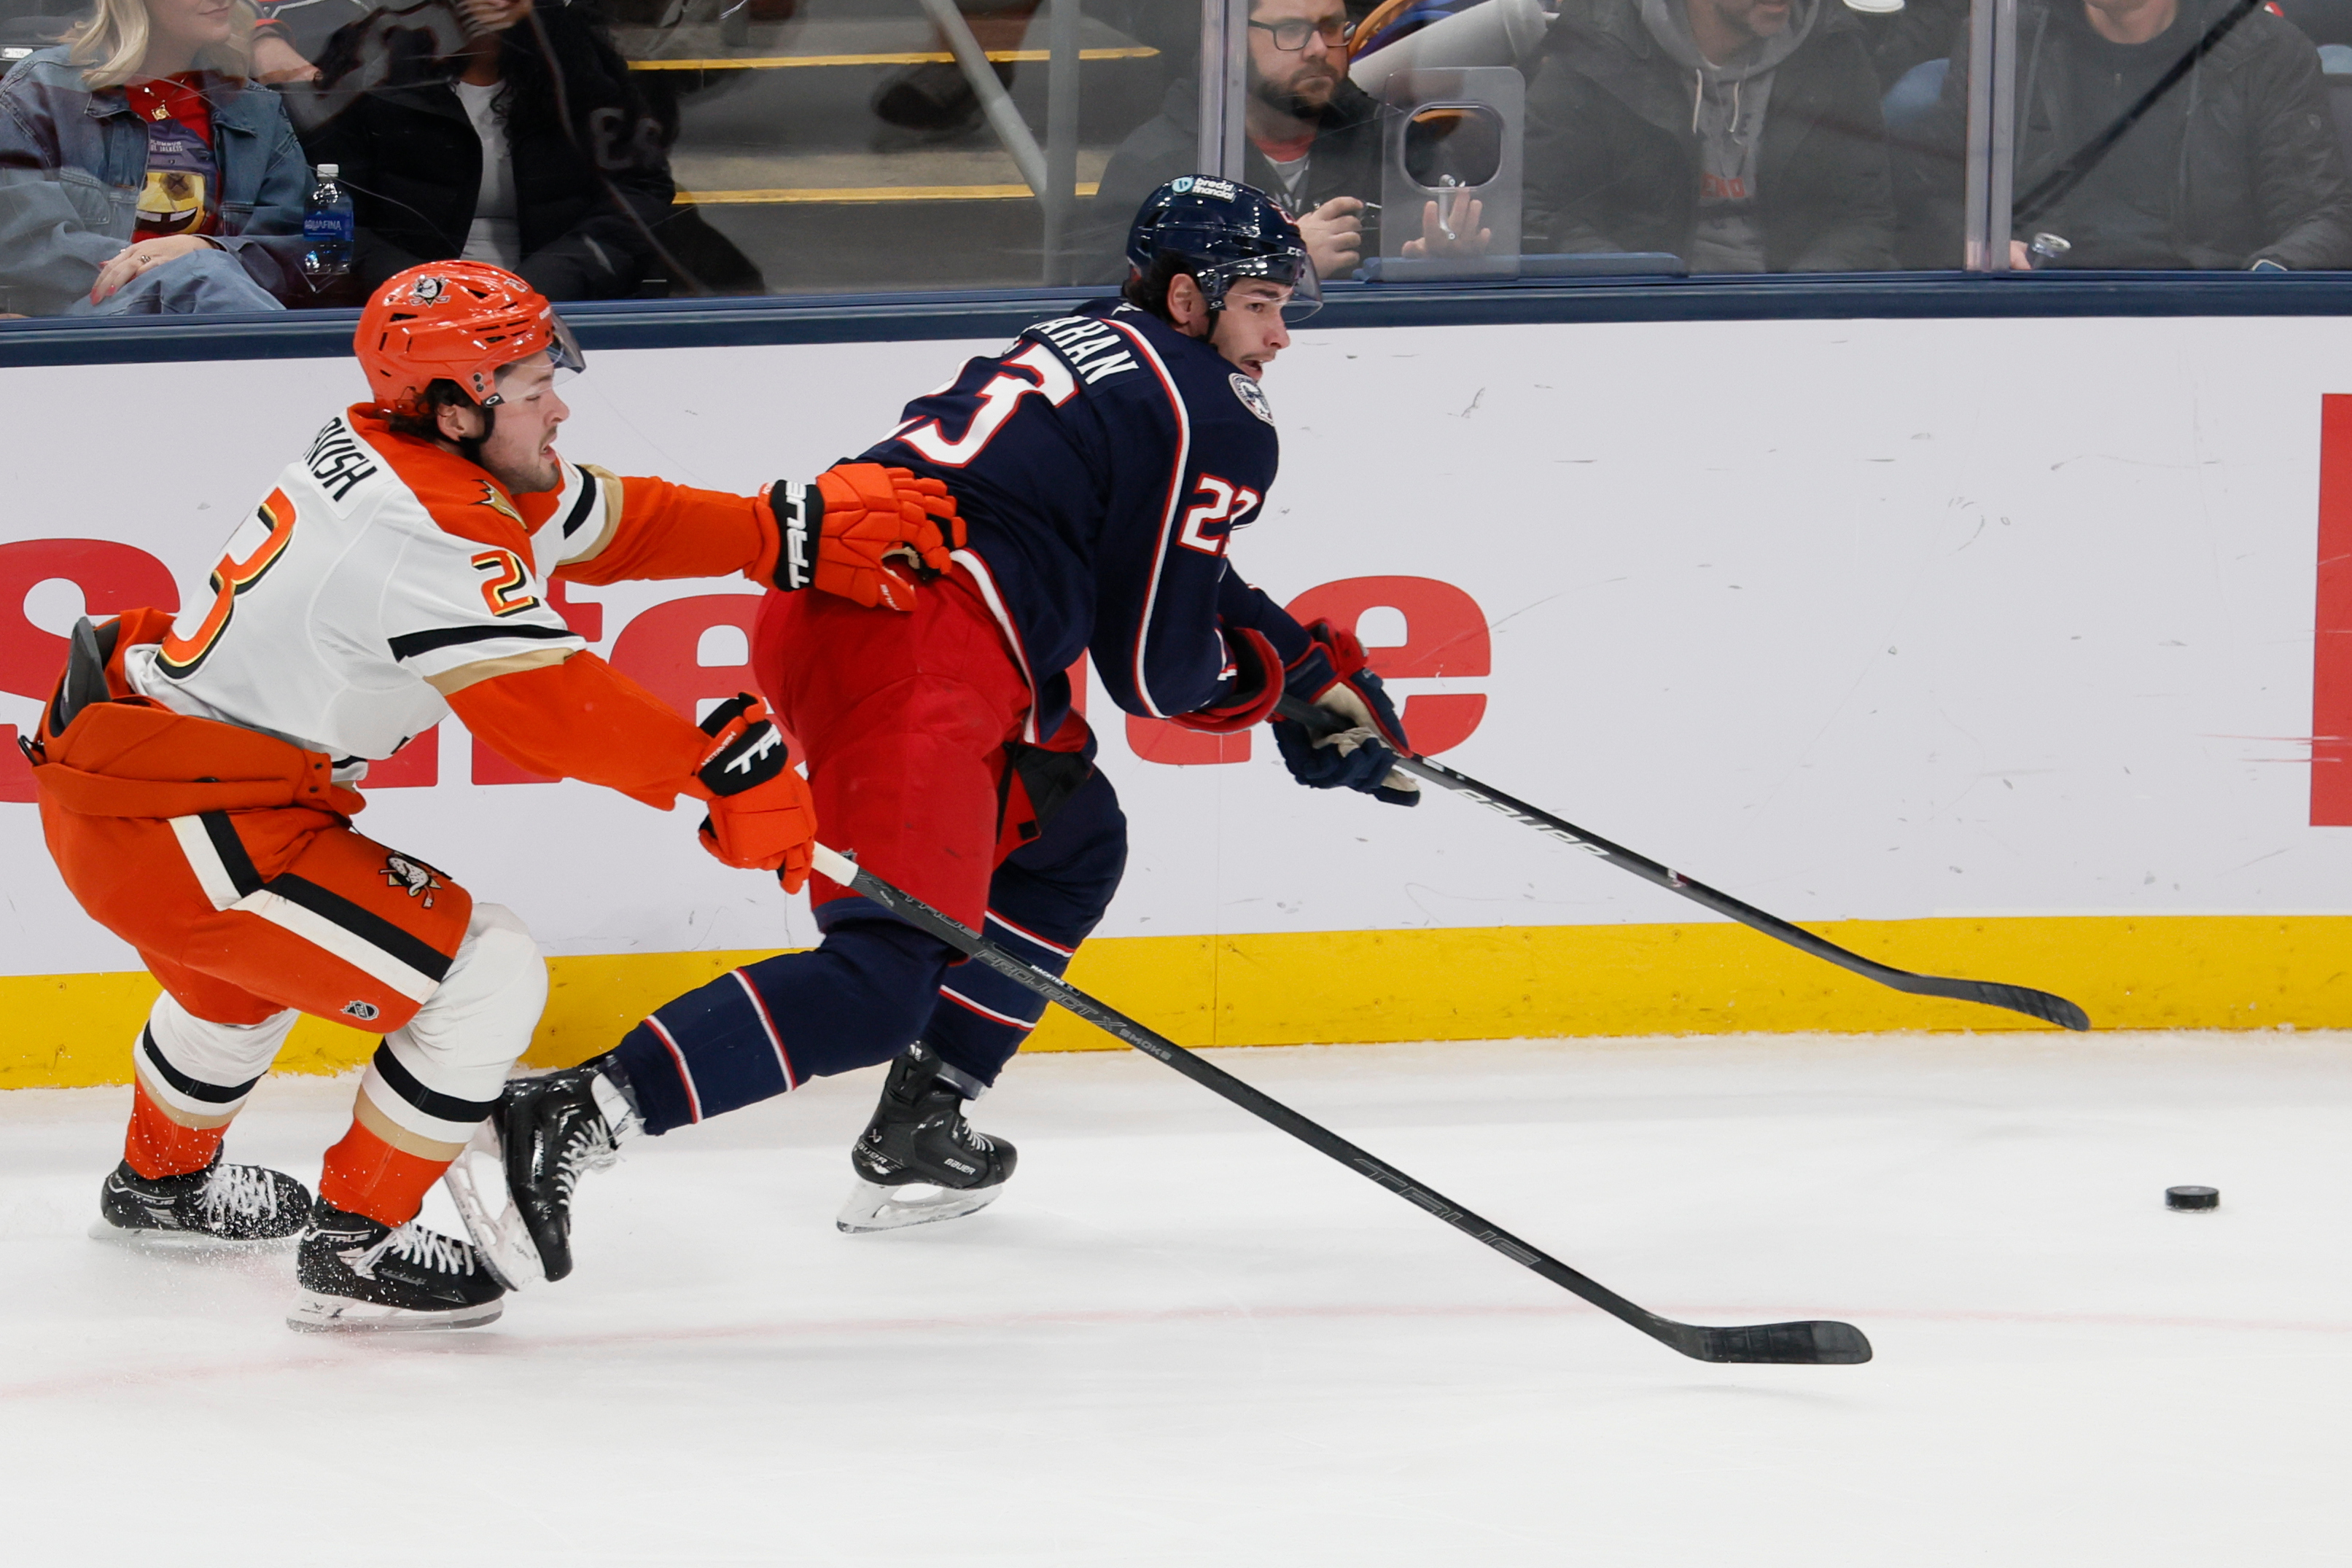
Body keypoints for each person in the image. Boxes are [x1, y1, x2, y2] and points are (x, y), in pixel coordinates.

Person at [461, 178, 1425, 1290]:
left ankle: (924, 1121)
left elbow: (1161, 556)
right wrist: (1271, 690)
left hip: (864, 602)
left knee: (1068, 839)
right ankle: (579, 1107)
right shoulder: (1217, 407)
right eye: (1260, 303)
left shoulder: (1096, 342)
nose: (1279, 336)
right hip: (913, 653)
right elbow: (1156, 678)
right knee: (882, 971)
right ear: (1186, 297)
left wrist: (1306, 668)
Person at [23, 259, 957, 1330]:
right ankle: (355, 1240)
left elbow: (608, 520)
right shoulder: (422, 523)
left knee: (232, 985)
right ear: (460, 407)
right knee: (486, 974)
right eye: (530, 383)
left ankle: (161, 1183)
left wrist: (774, 528)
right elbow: (542, 705)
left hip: (160, 791)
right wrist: (719, 771)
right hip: (191, 826)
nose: (558, 401)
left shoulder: (415, 451)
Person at [1907, 0, 2352, 270]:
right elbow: (1935, 200)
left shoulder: (2265, 51)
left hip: (2209, 319)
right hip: (2036, 313)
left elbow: (2318, 215)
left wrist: (2267, 278)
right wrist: (1986, 248)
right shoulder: (2001, 40)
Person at [292, 0, 675, 299]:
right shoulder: (375, 70)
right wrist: (419, 287)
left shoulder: (582, 69)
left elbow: (641, 192)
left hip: (560, 303)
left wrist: (556, 277)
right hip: (411, 308)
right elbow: (326, 211)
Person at [1523, 0, 1899, 272]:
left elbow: (1867, 211)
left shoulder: (1833, 44)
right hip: (1642, 312)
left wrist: (1802, 300)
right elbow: (1539, 208)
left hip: (1796, 307)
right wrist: (1634, 285)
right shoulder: (1599, 45)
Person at [0, 0, 313, 316]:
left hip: (215, 324)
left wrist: (207, 249)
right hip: (77, 334)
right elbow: (24, 245)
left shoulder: (254, 109)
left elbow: (305, 249)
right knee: (201, 276)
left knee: (205, 273)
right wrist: (164, 264)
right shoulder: (44, 90)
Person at [1089, 0, 1386, 282]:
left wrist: (1427, 262)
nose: (1319, 49)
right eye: (1291, 29)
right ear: (1229, 42)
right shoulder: (1156, 166)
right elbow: (1115, 302)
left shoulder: (1390, 141)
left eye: (1332, 28)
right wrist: (1276, 261)